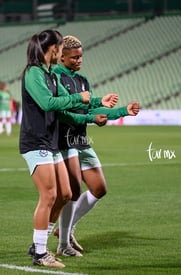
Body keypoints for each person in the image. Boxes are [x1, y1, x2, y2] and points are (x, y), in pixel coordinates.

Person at [20, 29, 111, 268]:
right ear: (54, 49)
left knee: (67, 194)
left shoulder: (50, 74)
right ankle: (40, 253)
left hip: (51, 141)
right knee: (49, 195)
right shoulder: (34, 73)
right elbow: (48, 103)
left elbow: (67, 101)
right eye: (60, 48)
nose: (61, 52)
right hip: (35, 140)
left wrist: (95, 101)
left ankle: (39, 243)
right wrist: (78, 99)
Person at [53, 35, 140, 256]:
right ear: (61, 57)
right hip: (63, 141)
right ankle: (63, 244)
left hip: (81, 140)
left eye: (81, 57)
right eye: (74, 57)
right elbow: (64, 113)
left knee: (99, 188)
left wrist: (123, 111)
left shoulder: (82, 81)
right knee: (73, 192)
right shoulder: (55, 78)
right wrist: (92, 118)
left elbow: (89, 111)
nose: (79, 61)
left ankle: (67, 228)